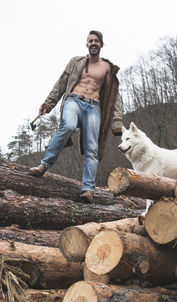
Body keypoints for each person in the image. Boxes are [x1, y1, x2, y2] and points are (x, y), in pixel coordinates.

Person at [30, 30, 123, 203]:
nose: (93, 43)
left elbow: (115, 96)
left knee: (92, 147)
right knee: (68, 126)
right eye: (90, 41)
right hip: (73, 101)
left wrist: (117, 121)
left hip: (94, 107)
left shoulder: (108, 68)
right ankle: (44, 165)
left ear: (101, 44)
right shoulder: (75, 62)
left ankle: (88, 189)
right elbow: (60, 84)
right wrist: (48, 104)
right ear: (86, 44)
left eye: (96, 41)